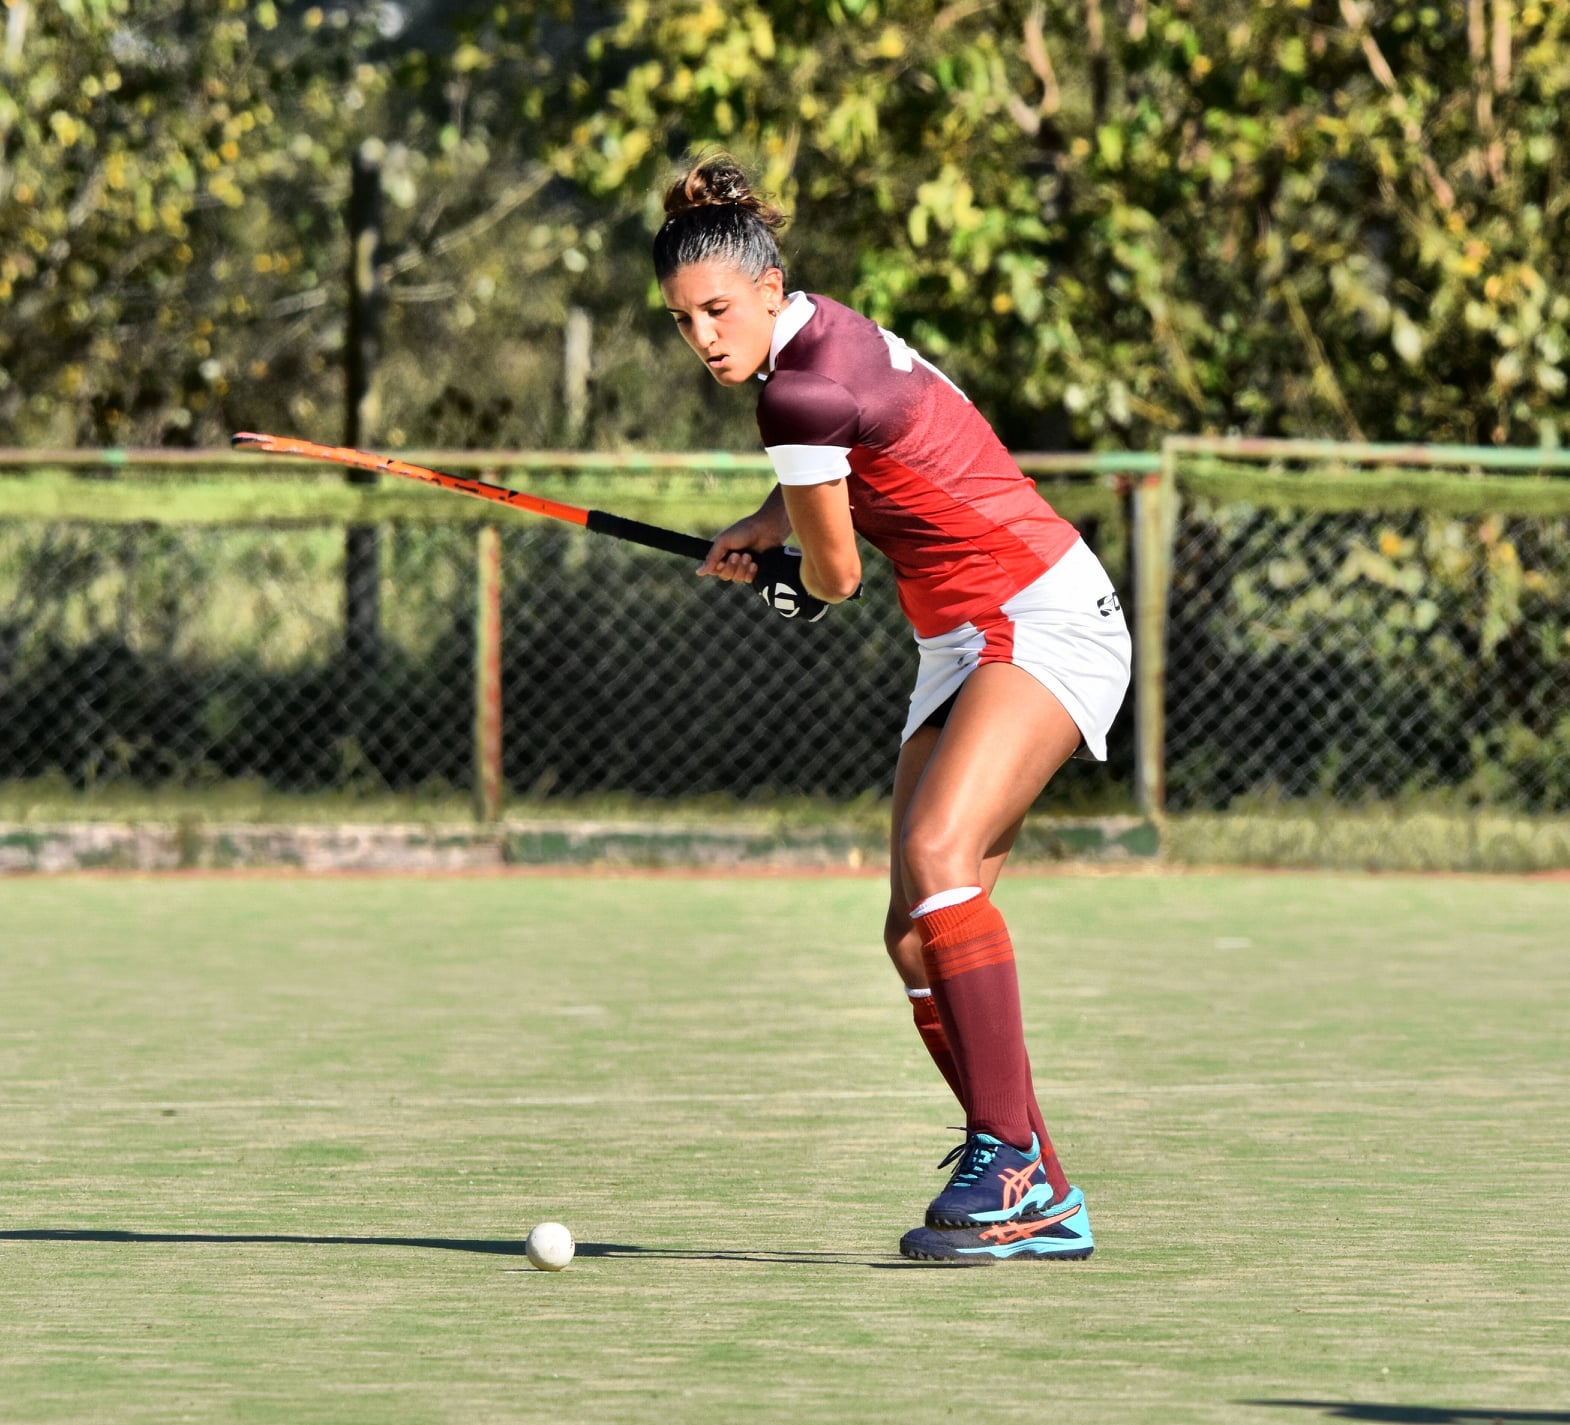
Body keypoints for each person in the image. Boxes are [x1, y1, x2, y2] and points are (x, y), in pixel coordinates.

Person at [653, 155, 1131, 1263]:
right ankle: (1040, 1193)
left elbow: (838, 579)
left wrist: (788, 574)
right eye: (683, 323)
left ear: (770, 289)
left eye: (719, 311)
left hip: (1035, 609)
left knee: (936, 850)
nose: (705, 339)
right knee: (912, 937)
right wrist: (769, 525)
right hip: (963, 634)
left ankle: (1004, 1154)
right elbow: (844, 470)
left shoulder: (794, 389)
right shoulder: (822, 337)